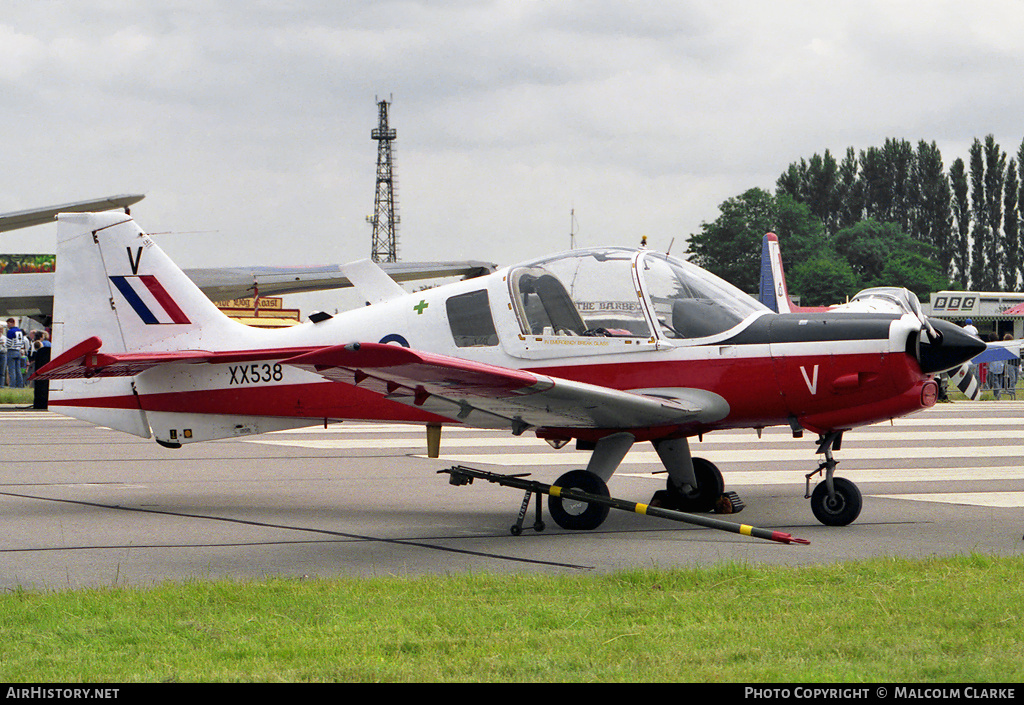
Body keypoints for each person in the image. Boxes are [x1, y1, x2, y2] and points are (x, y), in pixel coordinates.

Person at [4, 318, 25, 388]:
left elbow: (9, 343)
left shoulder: (10, 331)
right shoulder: (20, 331)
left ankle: (12, 385)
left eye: (8, 323)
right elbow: (22, 342)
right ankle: (20, 385)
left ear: (12, 323)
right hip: (18, 351)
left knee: (11, 370)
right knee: (18, 370)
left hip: (11, 351)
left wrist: (4, 345)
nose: (7, 325)